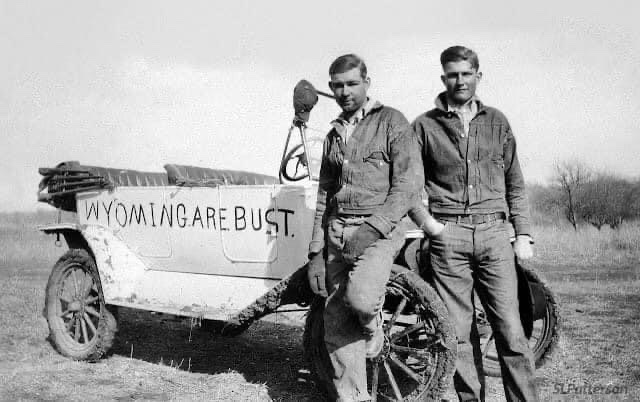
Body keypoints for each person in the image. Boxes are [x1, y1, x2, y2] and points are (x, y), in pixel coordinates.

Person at [411, 46, 538, 401]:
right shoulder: (423, 126)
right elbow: (406, 186)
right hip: (448, 238)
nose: (460, 81)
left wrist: (523, 233)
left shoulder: (497, 122)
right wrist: (430, 226)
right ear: (443, 78)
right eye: (453, 74)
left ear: (478, 76)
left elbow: (515, 182)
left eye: (466, 73)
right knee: (459, 335)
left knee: (511, 331)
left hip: (495, 235)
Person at [306, 54, 424, 401]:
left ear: (367, 83)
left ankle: (374, 331)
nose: (344, 92)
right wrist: (316, 252)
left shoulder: (392, 122)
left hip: (380, 231)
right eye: (337, 86)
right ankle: (352, 397)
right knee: (337, 321)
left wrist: (372, 229)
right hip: (337, 231)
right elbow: (325, 194)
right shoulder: (334, 134)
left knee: (360, 298)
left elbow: (408, 186)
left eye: (352, 84)